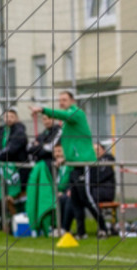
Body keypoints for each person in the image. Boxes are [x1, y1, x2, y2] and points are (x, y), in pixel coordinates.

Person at [32, 92, 104, 238]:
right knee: (76, 200)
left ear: (72, 100)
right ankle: (81, 232)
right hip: (73, 164)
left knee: (87, 198)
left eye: (64, 100)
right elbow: (69, 143)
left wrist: (43, 109)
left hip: (85, 163)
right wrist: (64, 158)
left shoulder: (77, 113)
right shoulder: (66, 122)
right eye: (60, 100)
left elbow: (61, 115)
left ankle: (103, 228)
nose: (61, 102)